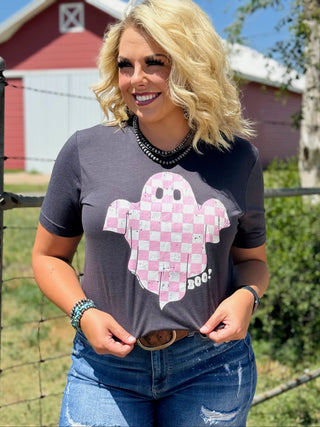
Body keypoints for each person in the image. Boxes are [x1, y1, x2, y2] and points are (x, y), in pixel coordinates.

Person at [32, 0, 269, 425]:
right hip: (105, 371)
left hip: (211, 365)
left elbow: (253, 263)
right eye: (126, 65)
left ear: (192, 65)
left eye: (154, 63)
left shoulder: (238, 158)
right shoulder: (85, 151)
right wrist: (83, 314)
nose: (135, 80)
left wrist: (245, 298)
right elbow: (48, 256)